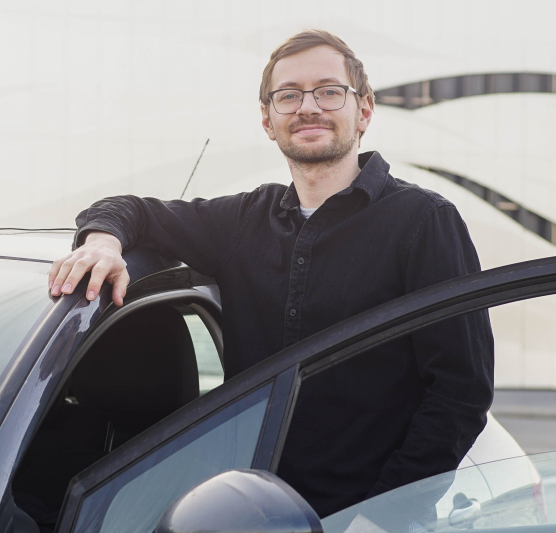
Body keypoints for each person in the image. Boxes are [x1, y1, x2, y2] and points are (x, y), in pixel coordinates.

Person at [47, 30, 494, 525]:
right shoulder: (242, 221)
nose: (309, 107)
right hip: (240, 513)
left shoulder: (423, 221)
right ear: (268, 120)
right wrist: (102, 243)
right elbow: (127, 209)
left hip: (364, 516)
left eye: (329, 91)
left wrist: (383, 516)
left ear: (364, 110)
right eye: (289, 95)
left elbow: (461, 392)